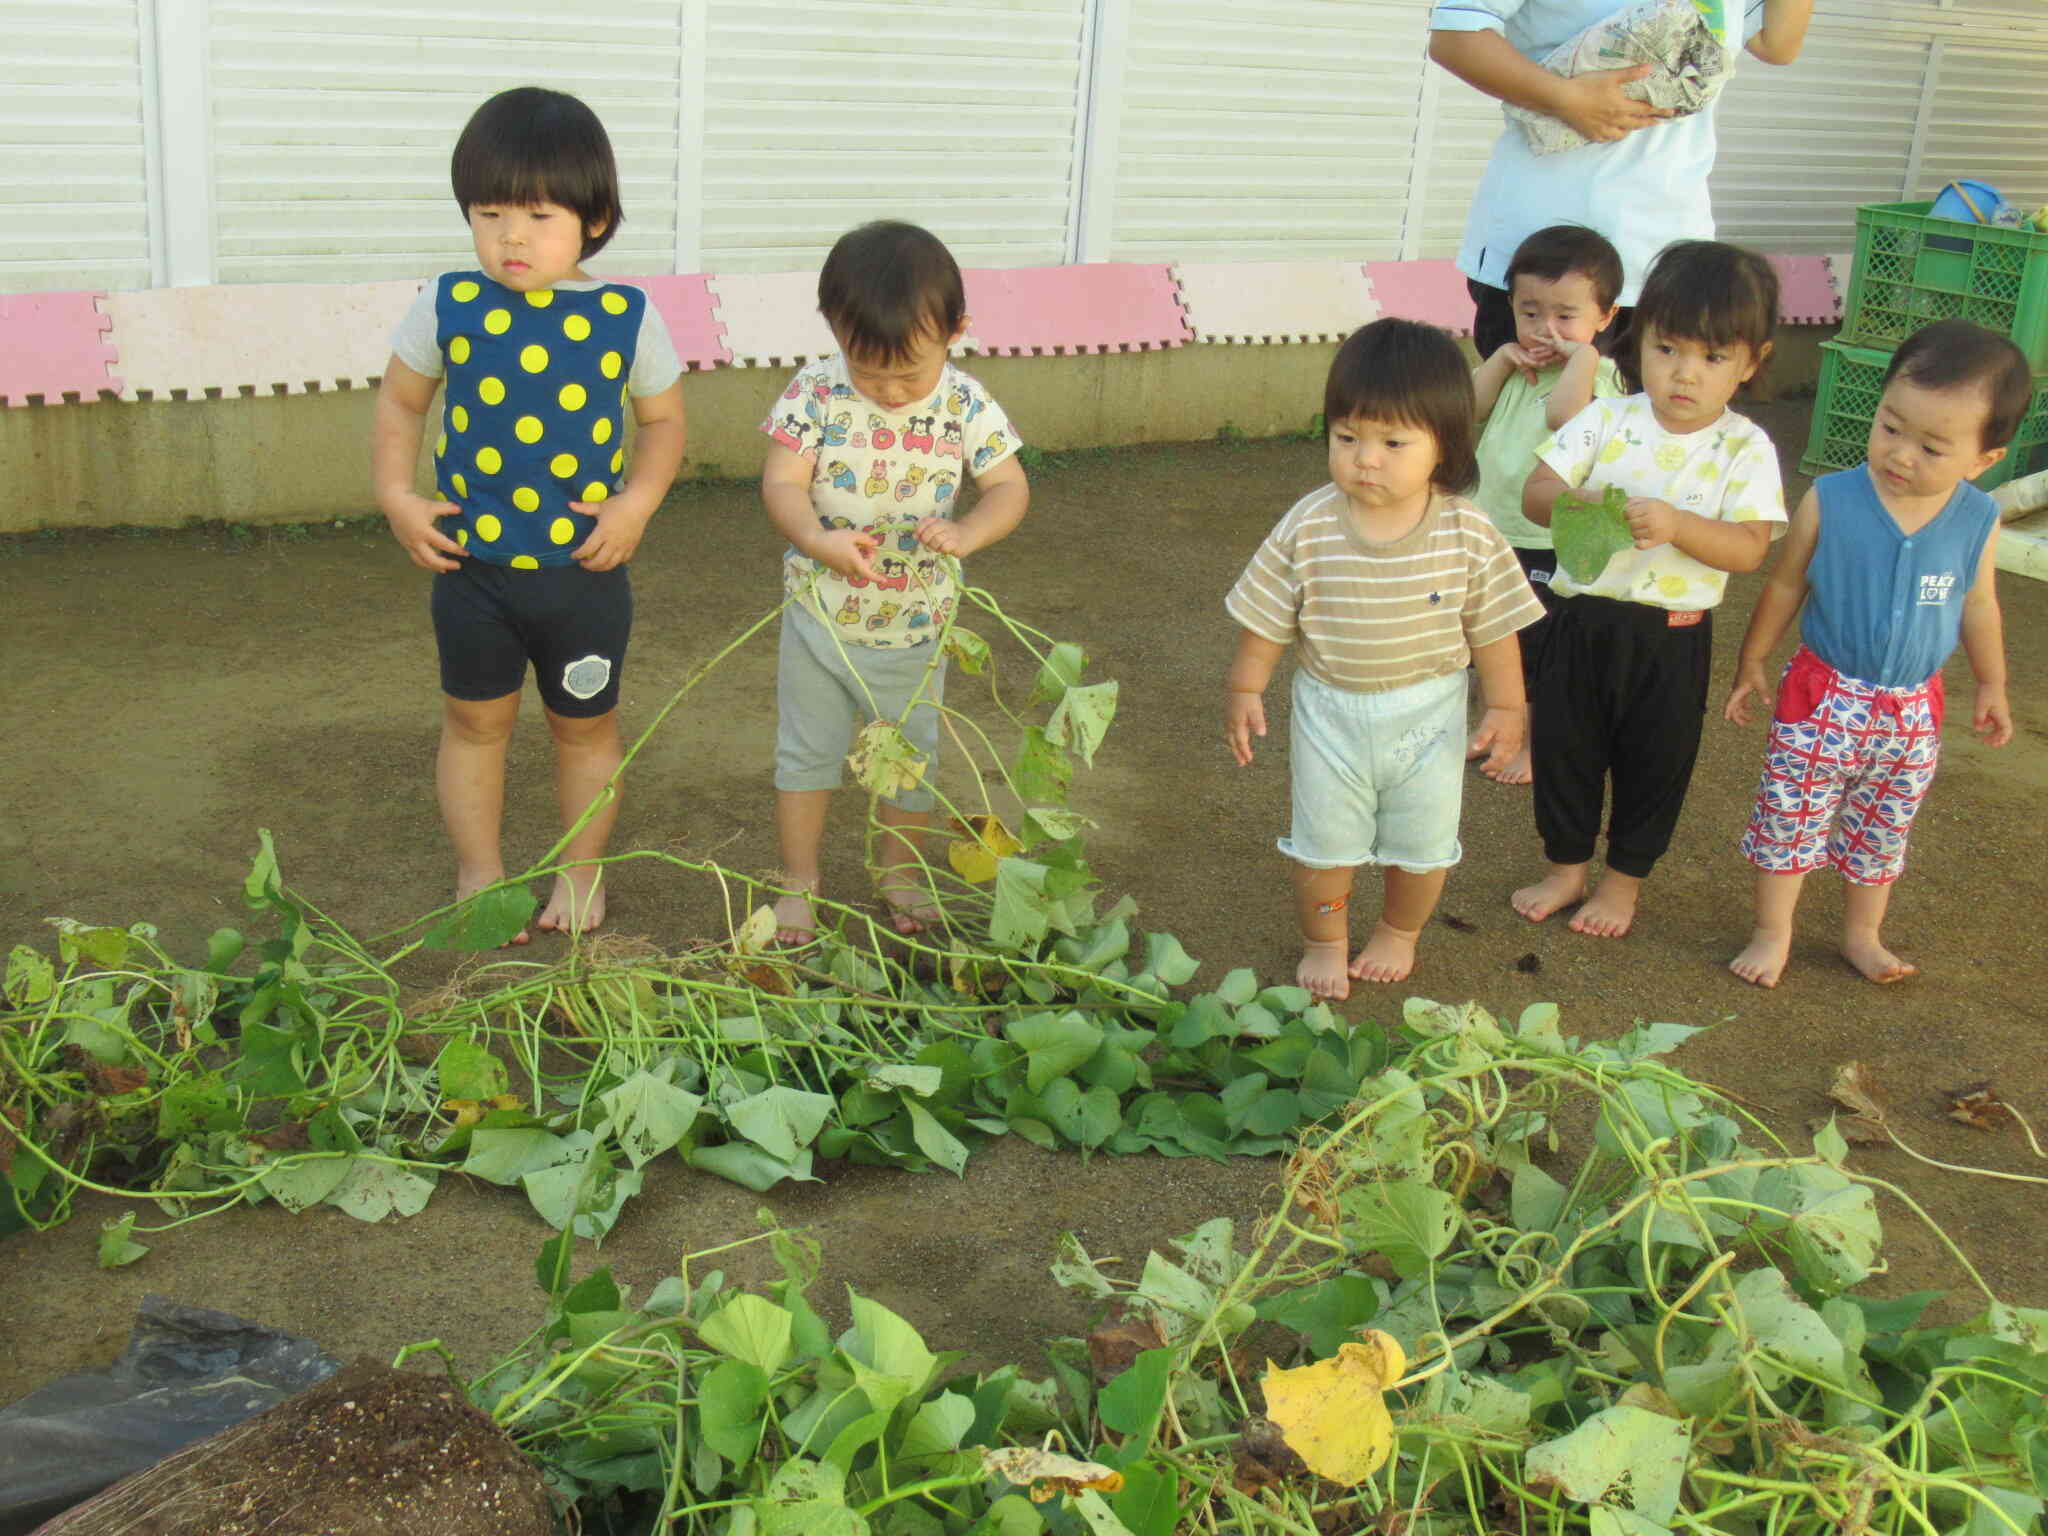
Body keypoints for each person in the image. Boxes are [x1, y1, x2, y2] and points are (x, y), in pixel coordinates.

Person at [372, 87, 687, 940]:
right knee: (475, 725)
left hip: (585, 576)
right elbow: (401, 406)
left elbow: (662, 424)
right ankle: (481, 871)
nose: (512, 236)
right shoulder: (447, 303)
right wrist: (398, 497)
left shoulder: (627, 316)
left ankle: (581, 874)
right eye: (490, 211)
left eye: (540, 215)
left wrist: (639, 502)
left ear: (594, 219)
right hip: (471, 576)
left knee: (585, 731)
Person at [1225, 319, 1546, 999]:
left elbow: (1494, 629)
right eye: (1347, 438)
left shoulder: (1467, 531)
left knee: (1424, 847)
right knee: (1321, 847)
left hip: (1429, 715)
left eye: (1393, 442)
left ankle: (1400, 931)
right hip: (1330, 711)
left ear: (1445, 444)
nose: (1365, 459)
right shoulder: (1309, 523)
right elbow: (1267, 618)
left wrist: (1509, 706)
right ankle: (1324, 939)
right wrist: (1246, 688)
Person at [1725, 320, 2026, 987]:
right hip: (1823, 695)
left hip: (1912, 710)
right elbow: (1784, 584)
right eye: (1891, 427)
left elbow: (1979, 604)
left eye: (1932, 446)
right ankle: (1772, 932)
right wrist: (1752, 659)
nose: (1901, 454)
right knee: (1790, 814)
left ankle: (1863, 935)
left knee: (1881, 829)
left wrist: (1992, 683)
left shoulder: (1978, 519)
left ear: (1985, 458)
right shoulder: (1832, 498)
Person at [761, 221, 1028, 945]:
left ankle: (900, 876)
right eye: (866, 368)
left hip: (915, 627)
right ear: (834, 329)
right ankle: (798, 881)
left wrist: (971, 531)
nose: (885, 390)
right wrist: (816, 539)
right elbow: (782, 483)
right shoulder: (813, 390)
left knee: (909, 767)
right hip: (819, 617)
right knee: (806, 756)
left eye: (907, 372)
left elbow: (1009, 487)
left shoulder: (966, 404)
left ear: (957, 331)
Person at [1513, 240, 1785, 937]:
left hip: (1672, 637)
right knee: (1563, 750)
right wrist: (1584, 503)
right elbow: (1536, 491)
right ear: (1641, 343)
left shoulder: (1744, 447)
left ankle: (1623, 883)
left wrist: (1677, 524)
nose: (1685, 374)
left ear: (1752, 361)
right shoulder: (1607, 419)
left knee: (1653, 765)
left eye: (1714, 357)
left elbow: (1750, 547)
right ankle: (1566, 867)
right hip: (1580, 621)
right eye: (1668, 349)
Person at [1427, 0, 1813, 357]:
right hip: (1548, 263)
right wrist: (1566, 98)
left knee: (1651, 430)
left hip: (1669, 261)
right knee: (1535, 427)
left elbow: (1775, 43)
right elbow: (1455, 36)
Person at [1468, 223, 1627, 784]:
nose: (1546, 329)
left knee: (1541, 650)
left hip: (1550, 537)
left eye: (1566, 316)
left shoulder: (1601, 376)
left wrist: (1583, 358)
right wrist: (1503, 359)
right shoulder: (1515, 369)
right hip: (1496, 528)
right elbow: (1468, 410)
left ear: (1605, 317)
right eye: (1530, 312)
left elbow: (1566, 420)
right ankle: (1497, 724)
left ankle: (1539, 743)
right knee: (1493, 636)